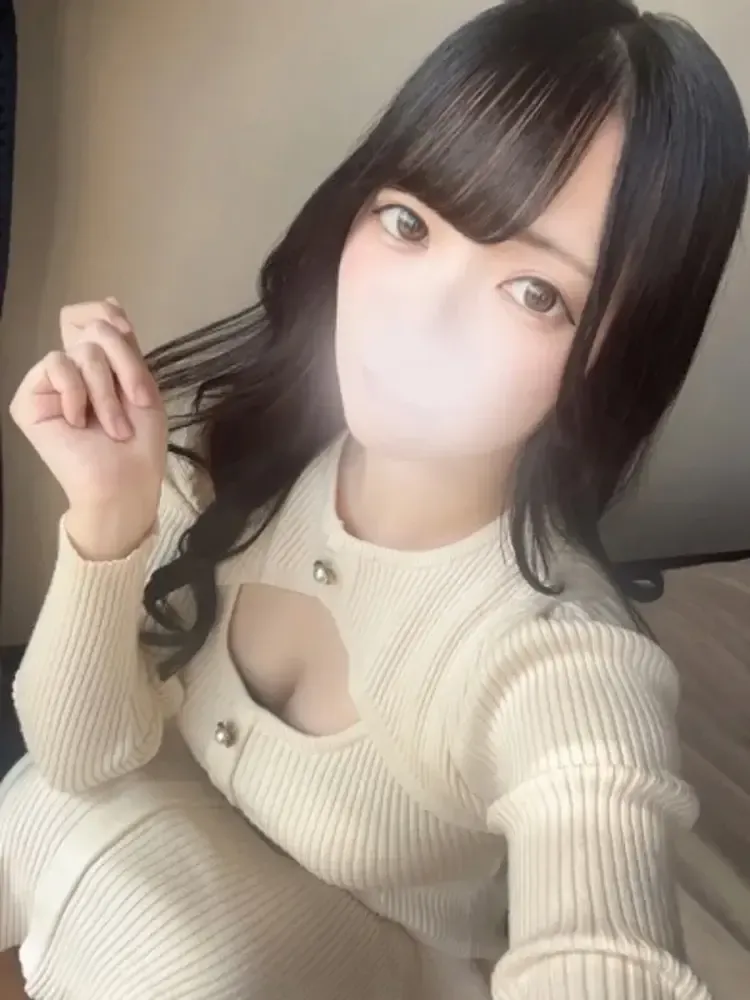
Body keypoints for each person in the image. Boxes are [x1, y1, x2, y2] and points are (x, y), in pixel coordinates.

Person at [1, 0, 748, 996]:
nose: (421, 319)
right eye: (409, 223)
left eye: (536, 293)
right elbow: (79, 758)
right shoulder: (225, 445)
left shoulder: (558, 660)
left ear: (622, 351)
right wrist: (108, 519)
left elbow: (603, 928)